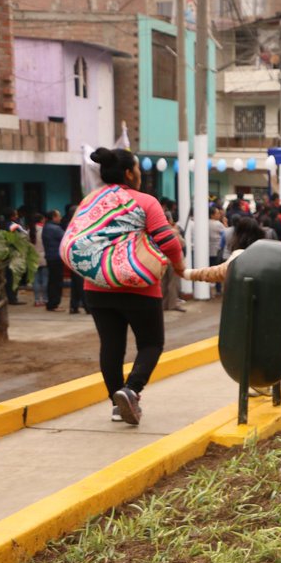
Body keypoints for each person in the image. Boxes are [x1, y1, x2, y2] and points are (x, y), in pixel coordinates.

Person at [76, 147, 186, 425]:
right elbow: (168, 240)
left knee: (111, 346)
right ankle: (131, 390)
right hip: (140, 289)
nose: (139, 173)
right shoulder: (145, 202)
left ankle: (117, 405)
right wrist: (179, 266)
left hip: (97, 287)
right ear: (128, 173)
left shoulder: (89, 201)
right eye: (136, 168)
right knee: (151, 343)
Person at [182, 215, 264, 287]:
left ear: (237, 234)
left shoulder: (239, 257)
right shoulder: (264, 254)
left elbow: (216, 273)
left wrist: (187, 273)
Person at [41, 210, 65, 311]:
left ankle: (51, 303)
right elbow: (66, 238)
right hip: (56, 257)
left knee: (52, 281)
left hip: (50, 257)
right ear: (54, 217)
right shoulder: (55, 228)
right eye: (58, 216)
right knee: (56, 282)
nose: (60, 218)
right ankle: (54, 303)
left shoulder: (46, 227)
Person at [30, 212, 48, 307]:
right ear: (41, 220)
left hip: (33, 258)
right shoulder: (44, 230)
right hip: (44, 257)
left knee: (35, 280)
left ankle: (37, 300)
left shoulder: (29, 230)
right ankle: (45, 299)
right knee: (45, 279)